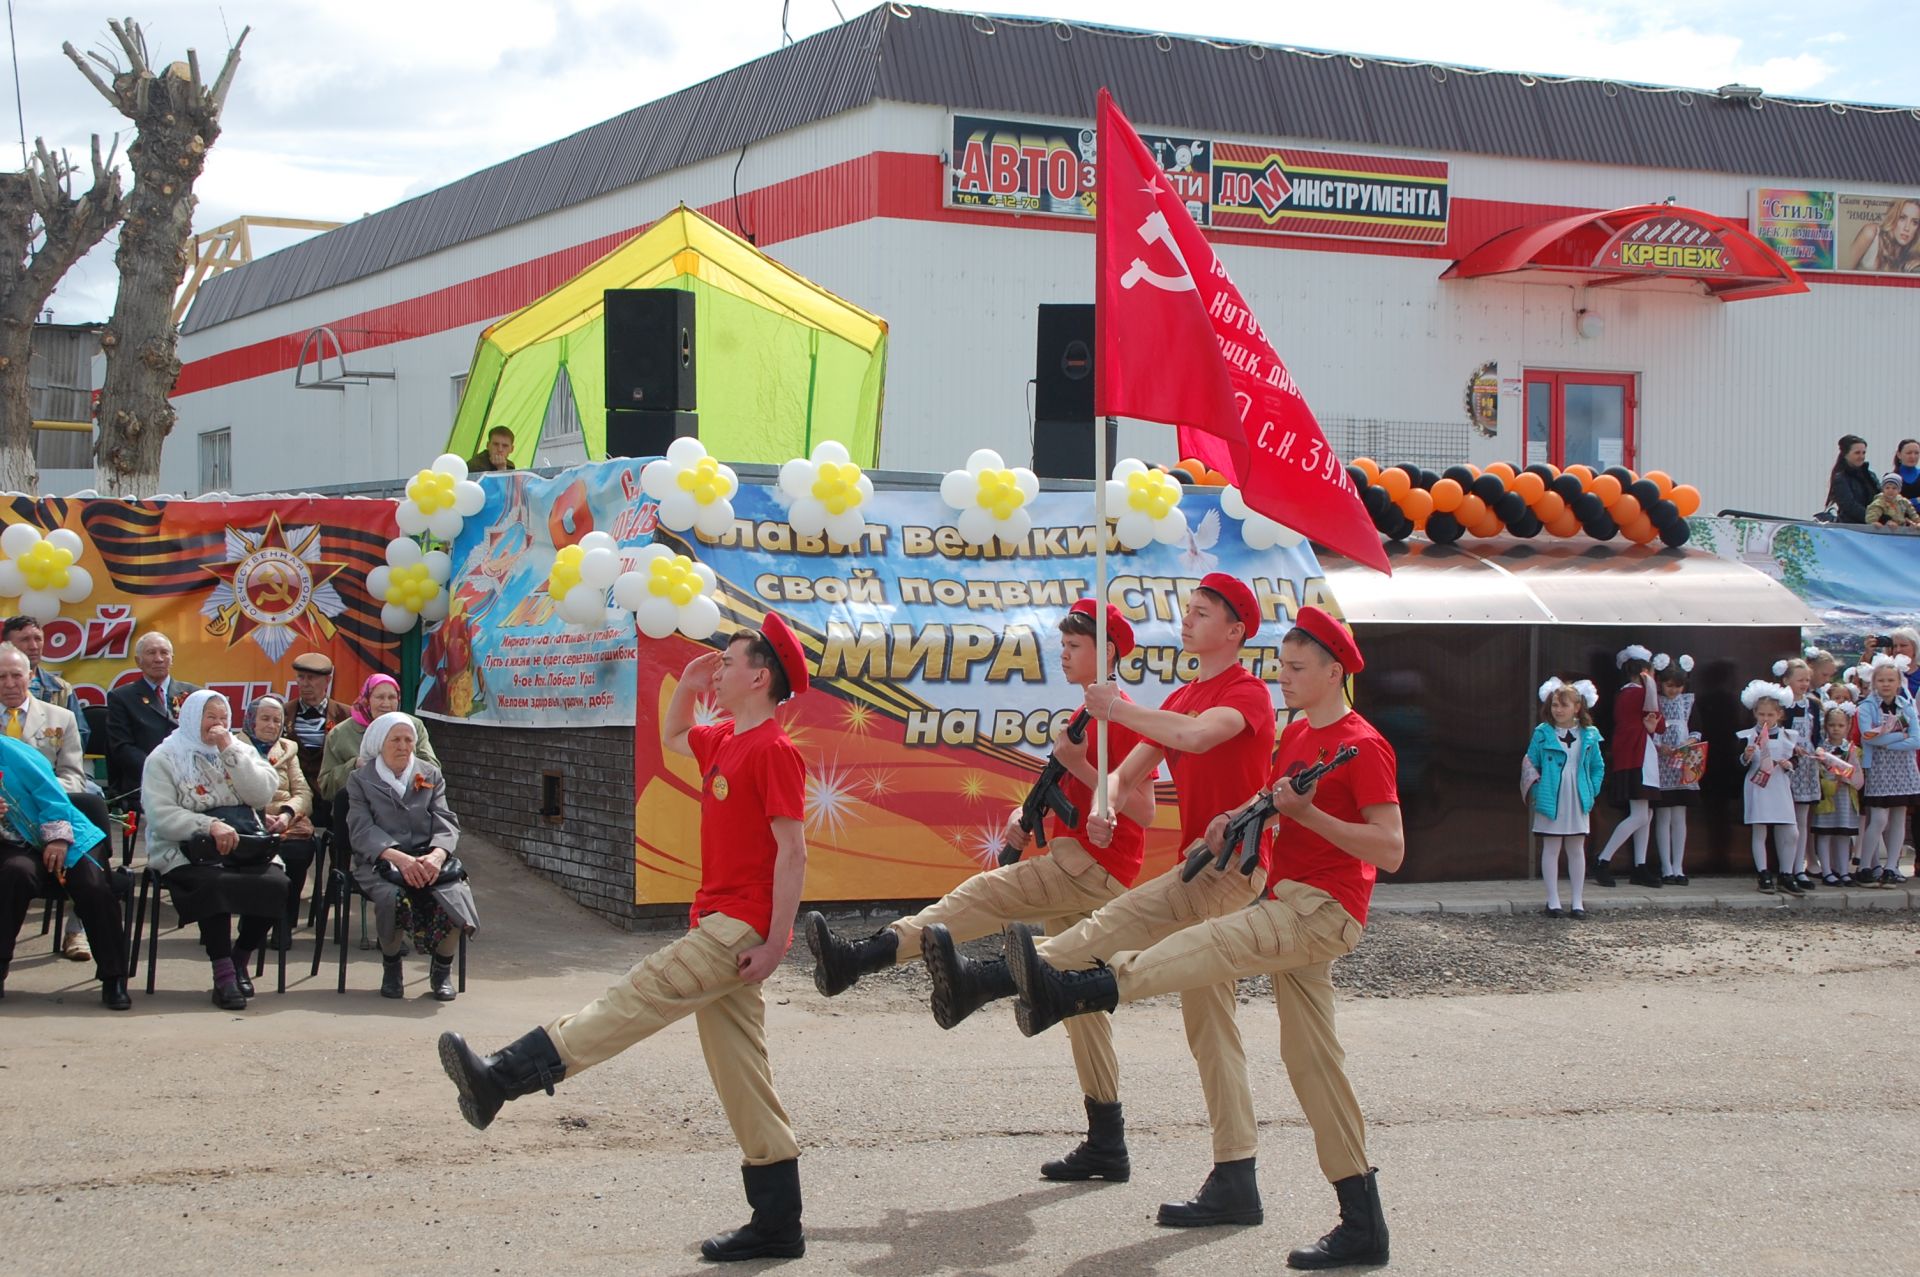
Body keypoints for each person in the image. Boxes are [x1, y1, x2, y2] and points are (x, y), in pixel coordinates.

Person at [1006, 606, 1402, 1270]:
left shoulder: (1364, 744)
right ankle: (1362, 1220)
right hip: (1286, 894)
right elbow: (1279, 807)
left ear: (1335, 671)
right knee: (1312, 1062)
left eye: (1298, 668)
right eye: (1284, 666)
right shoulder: (1300, 735)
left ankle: (1084, 986)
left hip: (1323, 909)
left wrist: (1308, 816)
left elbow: (1389, 849)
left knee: (1209, 946)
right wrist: (1238, 817)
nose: (1286, 678)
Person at [438, 615, 814, 1263]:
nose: (717, 670)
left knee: (637, 993)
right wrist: (687, 685)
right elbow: (673, 735)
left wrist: (778, 939)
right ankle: (779, 1220)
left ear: (760, 676)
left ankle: (503, 1075)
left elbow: (793, 851)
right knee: (741, 1071)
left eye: (727, 662)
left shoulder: (774, 748)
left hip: (739, 927)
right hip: (717, 918)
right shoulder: (726, 737)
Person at [926, 574, 1280, 1228]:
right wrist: (1103, 801)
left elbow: (1199, 736)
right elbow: (1127, 775)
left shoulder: (1247, 694)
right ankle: (989, 978)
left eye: (1203, 613)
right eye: (1189, 610)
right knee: (1109, 928)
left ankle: (1237, 1173)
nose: (1189, 620)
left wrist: (1117, 711)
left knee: (1209, 1026)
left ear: (1235, 630)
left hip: (1233, 878)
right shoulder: (1183, 692)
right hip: (1192, 872)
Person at [804, 599, 1156, 1183]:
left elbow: (1139, 806)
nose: (1064, 652)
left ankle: (857, 959)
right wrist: (1031, 817)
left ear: (1110, 652)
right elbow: (1080, 798)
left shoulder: (1118, 717)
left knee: (977, 900)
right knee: (1079, 1003)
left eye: (1076, 644)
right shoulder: (1089, 715)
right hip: (1081, 863)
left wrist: (1080, 766)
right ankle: (1107, 1140)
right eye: (1063, 643)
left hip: (1091, 868)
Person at [142, 689, 289, 1009]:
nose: (217, 724)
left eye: (223, 718)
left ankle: (240, 959)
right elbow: (160, 815)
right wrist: (207, 826)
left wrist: (230, 751)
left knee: (276, 883)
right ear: (194, 718)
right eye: (211, 717)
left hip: (244, 841)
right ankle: (223, 974)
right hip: (186, 845)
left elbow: (261, 795)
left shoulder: (239, 749)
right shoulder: (165, 757)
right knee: (215, 883)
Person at [346, 712, 476, 1001]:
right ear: (380, 743)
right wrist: (399, 859)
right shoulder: (360, 780)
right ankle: (392, 967)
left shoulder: (430, 774)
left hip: (427, 858)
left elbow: (445, 820)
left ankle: (442, 970)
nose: (403, 746)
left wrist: (437, 856)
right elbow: (361, 829)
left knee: (454, 894)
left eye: (408, 740)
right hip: (381, 859)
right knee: (390, 896)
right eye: (396, 739)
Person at [0, 733, 129, 1009]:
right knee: (14, 874)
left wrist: (57, 838)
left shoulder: (12, 752)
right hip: (15, 844)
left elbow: (51, 794)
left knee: (93, 887)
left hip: (67, 835)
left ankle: (113, 977)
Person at [0, 643, 109, 962]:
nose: (8, 683)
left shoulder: (60, 719)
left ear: (30, 676)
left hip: (53, 815)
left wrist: (36, 799)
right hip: (4, 828)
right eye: (1, 676)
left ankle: (77, 931)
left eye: (15, 675)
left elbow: (73, 776)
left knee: (88, 871)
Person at [1525, 677, 1604, 918]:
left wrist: (1591, 790)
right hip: (1551, 795)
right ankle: (1553, 901)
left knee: (1576, 847)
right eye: (1554, 705)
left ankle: (1578, 902)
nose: (1558, 710)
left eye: (1563, 705)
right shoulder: (1542, 733)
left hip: (1577, 796)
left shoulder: (1589, 734)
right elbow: (1530, 763)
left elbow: (1597, 767)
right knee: (1551, 846)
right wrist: (1537, 792)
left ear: (1577, 707)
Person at [243, 694, 319, 936]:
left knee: (299, 852)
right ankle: (252, 921)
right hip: (248, 821)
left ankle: (284, 921)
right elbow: (229, 791)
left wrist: (286, 815)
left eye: (277, 720)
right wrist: (259, 816)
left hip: (284, 823)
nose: (271, 725)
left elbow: (303, 792)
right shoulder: (234, 748)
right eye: (265, 719)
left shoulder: (287, 750)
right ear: (251, 721)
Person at [317, 674, 438, 825]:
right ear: (367, 699)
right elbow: (326, 788)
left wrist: (405, 763)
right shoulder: (340, 734)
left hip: (408, 809)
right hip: (358, 814)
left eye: (392, 697)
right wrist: (355, 765)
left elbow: (433, 769)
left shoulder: (413, 726)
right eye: (380, 697)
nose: (386, 704)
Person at [1591, 644, 1663, 889]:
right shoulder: (1641, 693)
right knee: (1641, 813)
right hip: (1639, 756)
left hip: (1634, 755)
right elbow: (1658, 722)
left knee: (1645, 813)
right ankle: (1603, 859)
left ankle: (1640, 866)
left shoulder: (1623, 694)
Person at [106, 632, 199, 800]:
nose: (159, 659)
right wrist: (159, 769)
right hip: (145, 781)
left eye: (164, 652)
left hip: (192, 781)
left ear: (172, 658)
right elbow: (122, 747)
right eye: (151, 653)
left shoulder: (194, 695)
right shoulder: (121, 697)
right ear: (138, 661)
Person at [1856, 655, 1919, 885]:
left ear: (1898, 681)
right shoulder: (1866, 707)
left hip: (1903, 768)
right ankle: (1865, 865)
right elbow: (1868, 737)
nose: (1886, 684)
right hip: (1879, 768)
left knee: (1898, 818)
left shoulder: (1906, 706)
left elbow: (1915, 739)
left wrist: (1885, 740)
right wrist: (1895, 737)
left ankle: (1892, 866)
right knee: (1879, 818)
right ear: (1874, 682)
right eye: (1881, 680)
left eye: (1890, 680)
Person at [1737, 680, 1802, 894]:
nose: (1765, 719)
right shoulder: (1746, 736)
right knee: (1759, 829)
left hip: (1779, 785)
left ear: (1779, 715)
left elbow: (1795, 761)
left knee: (1791, 832)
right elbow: (1739, 763)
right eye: (1761, 714)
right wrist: (1745, 756)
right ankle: (1763, 873)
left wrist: (1788, 764)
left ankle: (1786, 873)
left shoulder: (1788, 736)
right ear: (1755, 713)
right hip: (1757, 785)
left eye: (1770, 715)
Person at [1649, 654, 1700, 885]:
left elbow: (1696, 729)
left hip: (1683, 762)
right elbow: (1648, 730)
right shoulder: (1654, 701)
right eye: (1670, 686)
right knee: (1663, 815)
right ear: (1661, 682)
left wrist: (1689, 743)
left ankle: (1679, 865)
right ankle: (1666, 866)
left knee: (1679, 815)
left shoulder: (1687, 701)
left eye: (1678, 686)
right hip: (1661, 762)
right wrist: (1660, 747)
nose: (1674, 691)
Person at [1, 616, 89, 749]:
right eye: (25, 639)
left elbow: (80, 736)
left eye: (38, 639)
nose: (33, 646)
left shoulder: (61, 689)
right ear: (8, 645)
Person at [1775, 658, 1823, 892]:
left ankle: (1798, 868)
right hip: (1787, 764)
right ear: (1786, 680)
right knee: (1786, 818)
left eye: (1807, 680)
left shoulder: (1812, 704)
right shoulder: (1781, 705)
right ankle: (1783, 866)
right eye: (1800, 679)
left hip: (1807, 764)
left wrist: (1820, 750)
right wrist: (1791, 747)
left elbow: (1817, 735)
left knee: (1802, 818)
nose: (1804, 684)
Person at [285, 651, 350, 823]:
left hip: (331, 794)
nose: (305, 683)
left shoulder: (346, 715)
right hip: (293, 794)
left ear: (327, 680)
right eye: (301, 677)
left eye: (311, 678)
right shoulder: (283, 714)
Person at [1810, 705, 1865, 885]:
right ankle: (1826, 870)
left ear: (1848, 726)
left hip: (1845, 798)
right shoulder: (1821, 749)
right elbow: (1817, 772)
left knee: (1843, 835)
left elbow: (1857, 777)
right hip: (1828, 798)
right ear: (1826, 726)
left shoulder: (1852, 749)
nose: (1836, 729)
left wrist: (1847, 776)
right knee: (1825, 834)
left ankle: (1843, 870)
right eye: (1832, 725)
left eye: (1840, 725)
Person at [1840, 197, 1920, 273]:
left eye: (1915, 222)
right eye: (1902, 218)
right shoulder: (1871, 233)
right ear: (1893, 217)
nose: (1907, 228)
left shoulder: (1910, 256)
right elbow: (1841, 272)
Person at [1826, 436, 1879, 524]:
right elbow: (1849, 506)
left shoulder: (1870, 476)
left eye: (1864, 453)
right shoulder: (1841, 478)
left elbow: (1881, 498)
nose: (1861, 456)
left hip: (1873, 526)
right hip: (1851, 528)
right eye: (1857, 453)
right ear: (1845, 454)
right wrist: (1872, 518)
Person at [1892, 438, 1920, 504]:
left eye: (1916, 453)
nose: (1913, 456)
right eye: (1909, 453)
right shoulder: (1892, 477)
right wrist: (1914, 501)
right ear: (1899, 454)